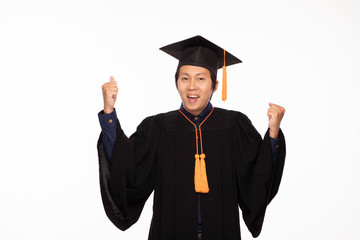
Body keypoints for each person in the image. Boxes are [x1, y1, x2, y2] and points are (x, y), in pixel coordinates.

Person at [97, 35, 286, 240]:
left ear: (214, 85)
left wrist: (273, 132)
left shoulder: (234, 126)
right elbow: (126, 168)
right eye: (185, 78)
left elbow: (258, 178)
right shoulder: (158, 128)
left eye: (201, 78)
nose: (191, 86)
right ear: (176, 82)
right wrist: (109, 113)